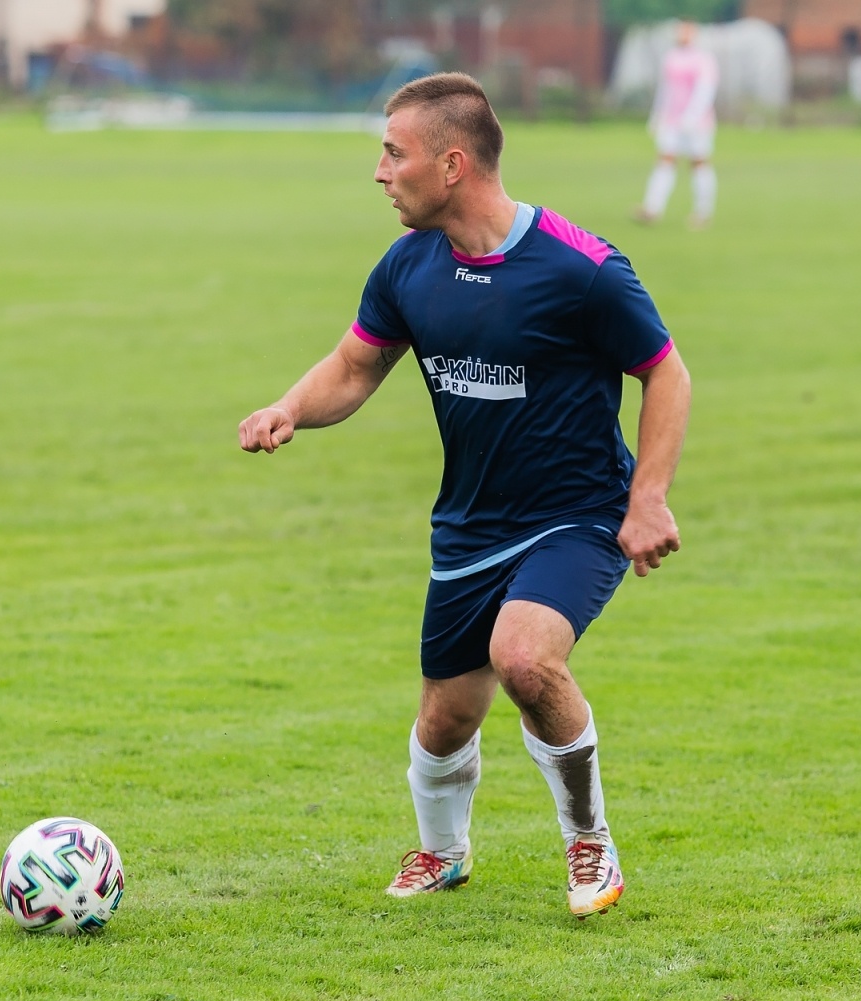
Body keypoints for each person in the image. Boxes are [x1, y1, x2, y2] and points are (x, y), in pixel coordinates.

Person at [238, 74, 691, 919]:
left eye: (393, 153)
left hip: (577, 515)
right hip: (470, 526)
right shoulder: (410, 266)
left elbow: (665, 370)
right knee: (444, 722)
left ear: (451, 164)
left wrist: (648, 498)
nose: (380, 172)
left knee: (525, 658)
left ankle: (590, 842)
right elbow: (356, 365)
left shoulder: (581, 269)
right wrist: (289, 408)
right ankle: (442, 853)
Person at [638, 20, 720, 228]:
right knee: (665, 160)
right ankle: (652, 208)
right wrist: (657, 115)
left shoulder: (703, 59)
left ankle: (703, 212)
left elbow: (705, 91)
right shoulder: (671, 57)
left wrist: (692, 116)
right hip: (671, 120)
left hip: (697, 123)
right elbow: (665, 89)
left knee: (699, 162)